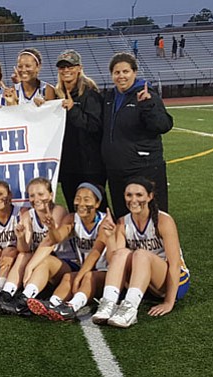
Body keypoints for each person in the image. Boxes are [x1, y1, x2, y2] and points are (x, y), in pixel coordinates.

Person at [92, 177, 189, 328]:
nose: (133, 199)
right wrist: (110, 237)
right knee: (122, 253)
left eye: (139, 195)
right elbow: (115, 261)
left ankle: (130, 310)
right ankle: (108, 304)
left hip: (172, 282)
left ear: (150, 197)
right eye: (129, 195)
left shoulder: (164, 221)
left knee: (140, 254)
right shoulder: (123, 222)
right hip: (144, 283)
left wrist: (169, 302)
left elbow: (175, 264)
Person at [16, 183, 107, 317]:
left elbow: (95, 253)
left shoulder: (105, 221)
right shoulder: (72, 218)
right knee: (59, 271)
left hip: (104, 272)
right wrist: (52, 227)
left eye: (86, 199)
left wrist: (78, 278)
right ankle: (37, 301)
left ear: (97, 203)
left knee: (87, 277)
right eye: (78, 198)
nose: (81, 203)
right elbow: (57, 238)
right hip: (82, 267)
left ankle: (71, 307)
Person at [101, 53, 173, 218]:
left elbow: (163, 125)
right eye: (117, 72)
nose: (121, 76)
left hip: (144, 167)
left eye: (125, 71)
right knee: (123, 217)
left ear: (134, 72)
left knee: (152, 214)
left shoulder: (147, 95)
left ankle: (160, 244)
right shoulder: (109, 97)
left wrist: (148, 106)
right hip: (117, 169)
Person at [0, 178, 68, 314]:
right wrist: (21, 237)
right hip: (39, 269)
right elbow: (25, 249)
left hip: (64, 264)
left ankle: (24, 299)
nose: (36, 199)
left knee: (44, 260)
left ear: (51, 195)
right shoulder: (28, 215)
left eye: (41, 194)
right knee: (23, 254)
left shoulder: (58, 211)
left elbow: (50, 243)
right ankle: (6, 293)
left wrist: (30, 267)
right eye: (32, 195)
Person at [54, 50, 107, 213]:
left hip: (90, 166)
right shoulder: (56, 96)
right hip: (69, 166)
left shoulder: (90, 94)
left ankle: (103, 239)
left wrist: (72, 109)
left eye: (70, 66)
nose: (66, 70)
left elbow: (95, 126)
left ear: (79, 68)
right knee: (74, 208)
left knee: (96, 209)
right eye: (62, 67)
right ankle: (80, 239)